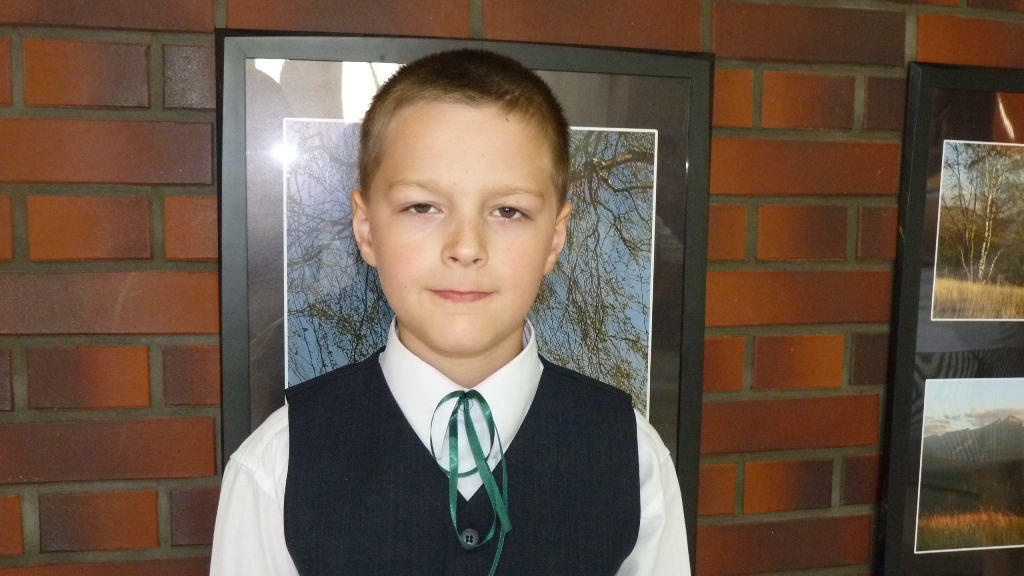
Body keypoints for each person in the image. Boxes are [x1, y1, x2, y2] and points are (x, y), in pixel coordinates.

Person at [210, 48, 689, 576]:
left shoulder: (634, 458)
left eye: (508, 211)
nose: (465, 247)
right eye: (423, 206)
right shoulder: (275, 467)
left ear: (555, 238)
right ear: (366, 229)